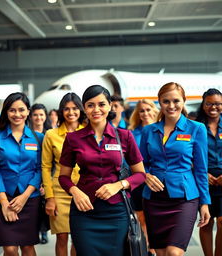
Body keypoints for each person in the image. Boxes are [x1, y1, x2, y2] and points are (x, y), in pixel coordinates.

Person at [58, 85, 146, 256]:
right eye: (90, 105)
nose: (96, 109)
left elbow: (141, 175)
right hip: (84, 211)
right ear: (84, 108)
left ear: (109, 106)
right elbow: (63, 177)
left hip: (117, 211)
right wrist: (75, 191)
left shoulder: (124, 136)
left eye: (101, 104)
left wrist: (118, 185)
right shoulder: (73, 138)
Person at [140, 82, 211, 256]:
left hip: (184, 198)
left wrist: (205, 203)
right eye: (166, 101)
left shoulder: (197, 129)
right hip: (154, 198)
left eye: (176, 101)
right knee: (161, 252)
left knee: (174, 252)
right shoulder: (149, 131)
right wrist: (146, 175)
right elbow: (141, 163)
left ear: (184, 101)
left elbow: (201, 169)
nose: (171, 106)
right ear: (159, 103)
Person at [0, 92, 44, 256]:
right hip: (3, 198)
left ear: (28, 112)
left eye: (21, 110)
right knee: (10, 249)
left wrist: (25, 196)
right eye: (12, 110)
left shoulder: (38, 138)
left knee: (28, 247)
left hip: (30, 199)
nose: (17, 114)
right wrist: (4, 203)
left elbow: (40, 169)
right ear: (6, 112)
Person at [42, 93, 85, 256]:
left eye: (75, 108)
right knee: (61, 237)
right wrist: (50, 198)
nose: (71, 112)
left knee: (78, 237)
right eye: (66, 109)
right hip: (59, 191)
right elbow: (45, 167)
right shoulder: (51, 135)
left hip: (84, 191)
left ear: (80, 110)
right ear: (61, 111)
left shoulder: (88, 132)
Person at [128, 99, 159, 256]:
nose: (145, 113)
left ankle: (156, 247)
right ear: (137, 114)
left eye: (148, 109)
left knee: (155, 217)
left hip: (158, 181)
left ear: (154, 110)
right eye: (142, 110)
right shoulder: (132, 133)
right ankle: (148, 249)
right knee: (141, 217)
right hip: (139, 181)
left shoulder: (162, 130)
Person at [196, 88, 222, 256]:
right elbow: (186, 153)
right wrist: (202, 174)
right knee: (206, 222)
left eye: (218, 103)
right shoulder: (195, 126)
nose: (214, 107)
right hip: (203, 179)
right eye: (209, 103)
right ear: (203, 104)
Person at [29, 103, 51, 245]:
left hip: (46, 178)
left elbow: (50, 163)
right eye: (35, 114)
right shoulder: (27, 135)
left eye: (41, 114)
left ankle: (43, 232)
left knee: (43, 208)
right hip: (33, 177)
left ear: (45, 116)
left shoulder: (50, 134)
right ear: (30, 117)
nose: (38, 117)